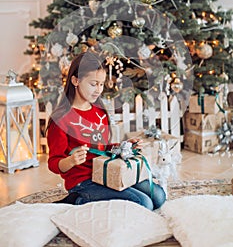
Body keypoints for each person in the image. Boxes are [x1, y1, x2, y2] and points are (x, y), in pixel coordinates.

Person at [47, 50, 166, 211]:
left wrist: (125, 146)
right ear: (75, 80)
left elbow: (102, 148)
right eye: (93, 84)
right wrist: (71, 161)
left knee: (158, 196)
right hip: (83, 182)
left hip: (106, 172)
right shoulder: (61, 119)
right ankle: (78, 200)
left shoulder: (99, 111)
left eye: (101, 84)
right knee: (143, 204)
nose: (98, 90)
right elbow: (53, 163)